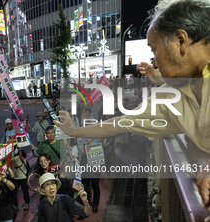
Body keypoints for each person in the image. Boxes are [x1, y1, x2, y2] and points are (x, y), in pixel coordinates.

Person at [54, 0, 210, 208]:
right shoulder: (172, 97)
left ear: (180, 40)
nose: (154, 63)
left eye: (155, 51)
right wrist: (74, 131)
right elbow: (120, 123)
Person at [10, 147, 30, 211]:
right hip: (15, 177)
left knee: (25, 191)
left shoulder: (21, 154)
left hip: (23, 176)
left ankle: (26, 203)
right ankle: (15, 205)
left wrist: (22, 150)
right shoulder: (10, 156)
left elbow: (25, 155)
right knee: (13, 192)